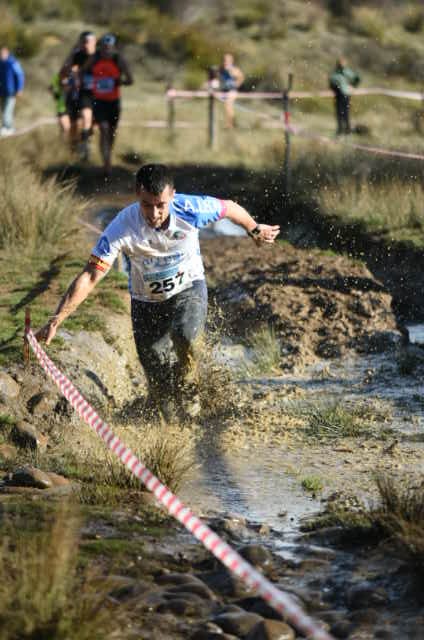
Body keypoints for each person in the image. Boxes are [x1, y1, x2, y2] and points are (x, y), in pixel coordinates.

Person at [36, 163, 280, 423]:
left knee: (184, 335)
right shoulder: (121, 227)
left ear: (172, 195)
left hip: (189, 289)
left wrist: (254, 229)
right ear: (137, 195)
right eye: (147, 205)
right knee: (159, 380)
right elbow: (90, 275)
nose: (154, 213)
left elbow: (229, 208)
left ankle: (192, 383)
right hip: (145, 303)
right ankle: (173, 433)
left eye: (161, 205)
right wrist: (56, 320)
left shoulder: (191, 209)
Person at [83, 33, 133, 176]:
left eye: (109, 48)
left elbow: (130, 80)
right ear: (101, 47)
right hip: (99, 101)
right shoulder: (95, 58)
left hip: (114, 102)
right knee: (104, 129)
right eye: (104, 48)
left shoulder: (119, 59)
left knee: (111, 132)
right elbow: (84, 73)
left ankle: (108, 156)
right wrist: (90, 83)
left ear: (113, 48)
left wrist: (119, 81)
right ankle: (107, 164)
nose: (106, 50)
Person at [60, 31, 97, 159]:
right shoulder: (77, 55)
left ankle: (86, 143)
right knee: (81, 121)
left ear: (94, 42)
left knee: (94, 125)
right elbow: (65, 71)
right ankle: (81, 149)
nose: (85, 45)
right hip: (82, 93)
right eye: (83, 42)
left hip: (100, 95)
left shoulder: (100, 56)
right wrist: (72, 71)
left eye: (88, 42)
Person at [329, 57, 360, 135]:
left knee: (345, 112)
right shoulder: (335, 73)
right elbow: (331, 83)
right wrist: (334, 88)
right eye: (341, 63)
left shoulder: (347, 72)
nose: (342, 64)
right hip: (338, 95)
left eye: (343, 63)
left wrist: (353, 87)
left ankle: (347, 129)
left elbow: (357, 78)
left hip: (345, 94)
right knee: (339, 112)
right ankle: (340, 129)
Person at [0, 46, 24, 136]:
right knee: (3, 110)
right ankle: (6, 127)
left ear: (7, 53)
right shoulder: (1, 63)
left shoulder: (13, 63)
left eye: (2, 53)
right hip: (2, 91)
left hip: (11, 91)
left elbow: (20, 76)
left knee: (7, 110)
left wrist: (19, 89)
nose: (1, 55)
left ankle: (8, 128)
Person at [218, 53, 244, 128]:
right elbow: (219, 78)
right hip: (223, 90)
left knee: (228, 105)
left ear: (231, 61)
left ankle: (230, 124)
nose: (225, 62)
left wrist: (236, 85)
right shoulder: (221, 69)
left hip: (232, 90)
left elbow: (241, 78)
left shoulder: (234, 69)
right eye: (224, 60)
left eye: (227, 60)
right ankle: (229, 123)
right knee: (225, 107)